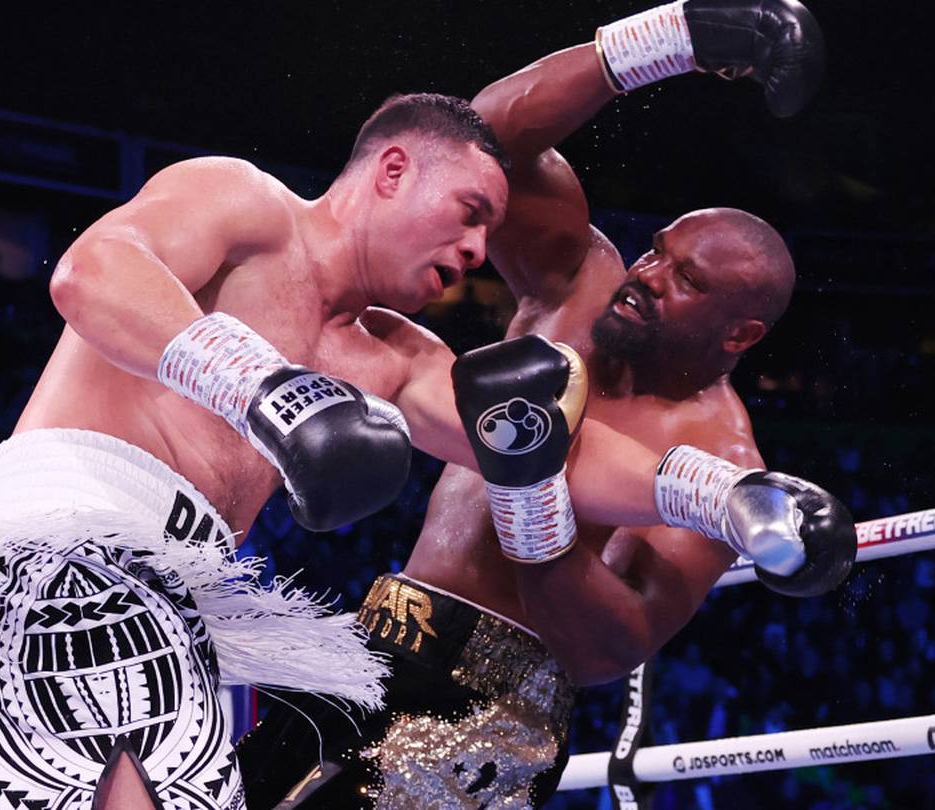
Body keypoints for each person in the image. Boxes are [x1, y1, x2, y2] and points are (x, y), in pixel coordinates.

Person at [0, 92, 768, 810]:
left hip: (166, 601)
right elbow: (92, 273)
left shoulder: (393, 356)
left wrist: (728, 501)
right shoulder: (244, 204)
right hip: (64, 555)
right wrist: (263, 387)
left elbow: (554, 457)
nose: (480, 248)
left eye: (489, 230)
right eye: (467, 212)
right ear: (393, 170)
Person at [235, 1, 852, 807]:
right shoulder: (581, 282)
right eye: (658, 251)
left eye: (685, 282)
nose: (648, 275)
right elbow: (470, 146)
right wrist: (673, 42)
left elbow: (610, 648)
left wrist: (535, 502)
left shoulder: (725, 460)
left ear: (738, 333)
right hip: (374, 638)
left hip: (492, 717)